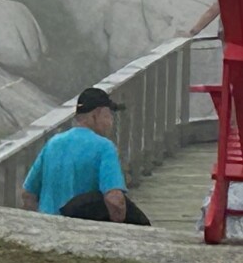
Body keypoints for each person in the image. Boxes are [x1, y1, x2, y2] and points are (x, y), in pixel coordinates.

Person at [21, 88, 150, 225]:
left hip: (48, 227)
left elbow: (28, 194)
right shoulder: (104, 147)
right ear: (96, 115)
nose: (111, 122)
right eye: (109, 115)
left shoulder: (53, 143)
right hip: (82, 230)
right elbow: (114, 199)